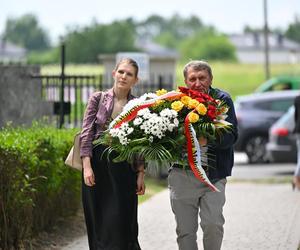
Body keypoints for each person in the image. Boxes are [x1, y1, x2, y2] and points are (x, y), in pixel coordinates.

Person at [168, 60, 238, 250]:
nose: (197, 83)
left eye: (202, 78)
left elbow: (231, 136)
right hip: (182, 174)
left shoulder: (222, 100)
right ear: (185, 80)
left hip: (213, 175)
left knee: (213, 225)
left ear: (211, 79)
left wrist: (207, 139)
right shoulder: (173, 103)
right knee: (185, 231)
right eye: (192, 79)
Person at [80, 58, 146, 250]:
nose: (124, 76)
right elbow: (86, 133)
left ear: (136, 80)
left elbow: (141, 143)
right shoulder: (97, 98)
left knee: (123, 221)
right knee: (98, 220)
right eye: (121, 72)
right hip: (97, 167)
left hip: (124, 169)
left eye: (129, 74)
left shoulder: (138, 104)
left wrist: (141, 174)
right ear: (114, 73)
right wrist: (86, 168)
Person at [293, 94, 300, 190]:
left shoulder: (297, 99)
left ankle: (296, 178)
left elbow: (296, 116)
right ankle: (296, 177)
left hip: (298, 130)